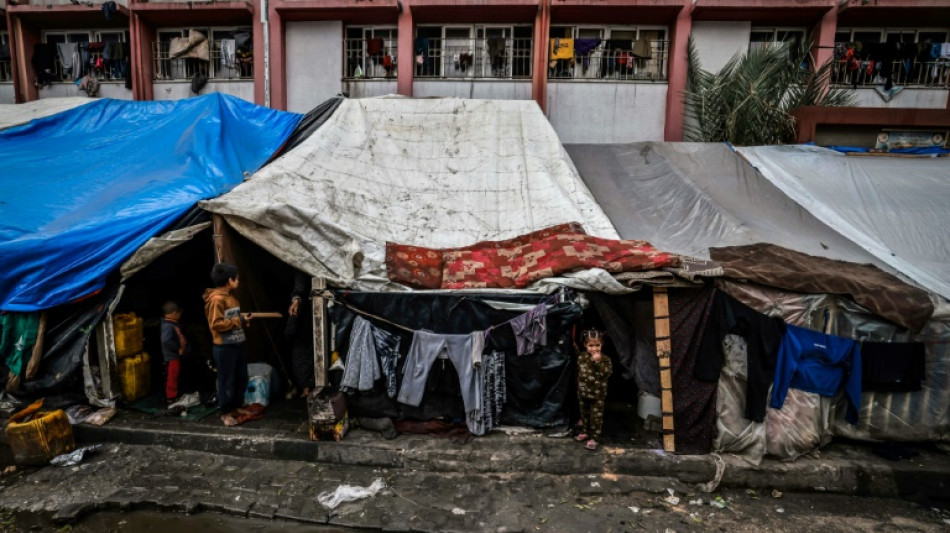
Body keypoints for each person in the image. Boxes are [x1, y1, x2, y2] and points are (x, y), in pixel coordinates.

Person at [203, 262, 253, 427]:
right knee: (226, 380)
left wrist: (243, 322)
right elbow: (216, 324)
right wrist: (239, 320)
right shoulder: (216, 300)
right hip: (224, 347)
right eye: (236, 279)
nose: (238, 281)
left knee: (241, 377)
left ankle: (237, 406)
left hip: (238, 343)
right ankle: (225, 413)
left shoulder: (232, 298)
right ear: (229, 280)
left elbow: (233, 320)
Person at [575, 329, 612, 451]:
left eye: (597, 345)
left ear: (602, 345)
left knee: (596, 416)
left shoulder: (605, 359)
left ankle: (595, 438)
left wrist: (598, 362)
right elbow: (581, 368)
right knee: (584, 414)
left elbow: (606, 373)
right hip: (583, 392)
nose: (594, 348)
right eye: (591, 345)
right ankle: (586, 432)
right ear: (585, 345)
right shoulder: (582, 356)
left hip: (597, 394)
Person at [286, 270, 315, 398]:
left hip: (313, 316)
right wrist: (296, 299)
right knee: (300, 352)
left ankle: (308, 386)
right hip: (303, 319)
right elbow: (300, 285)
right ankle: (305, 387)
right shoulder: (301, 272)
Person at [160, 301, 191, 405]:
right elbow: (166, 340)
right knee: (172, 377)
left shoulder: (173, 324)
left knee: (175, 375)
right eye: (179, 314)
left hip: (175, 356)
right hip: (172, 357)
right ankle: (171, 397)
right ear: (174, 314)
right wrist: (177, 348)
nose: (180, 316)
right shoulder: (168, 326)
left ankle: (175, 394)